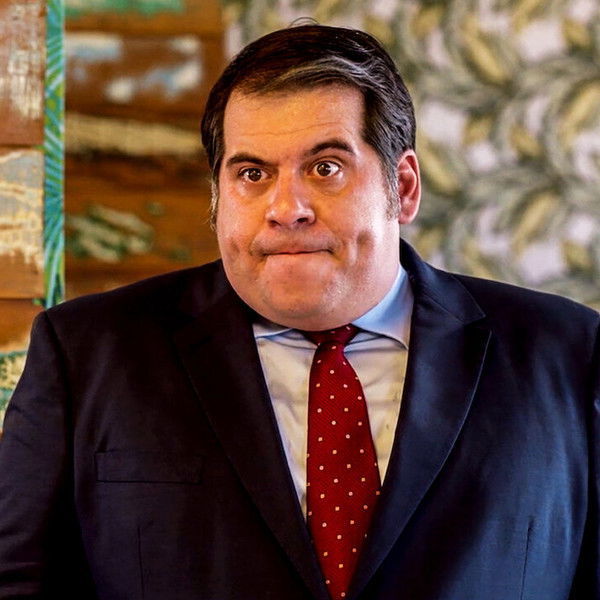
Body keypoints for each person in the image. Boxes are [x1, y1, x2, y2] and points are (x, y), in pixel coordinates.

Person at [0, 24, 598, 600]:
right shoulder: (86, 354)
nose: (286, 208)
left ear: (403, 187)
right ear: (218, 197)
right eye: (252, 174)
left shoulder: (569, 354)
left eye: (325, 168)